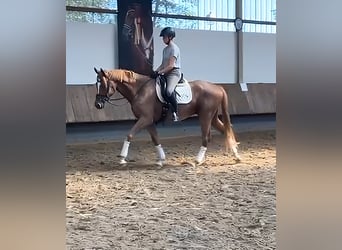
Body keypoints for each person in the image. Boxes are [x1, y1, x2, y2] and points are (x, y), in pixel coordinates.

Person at [152, 27, 181, 122]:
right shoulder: (165, 50)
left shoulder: (174, 49)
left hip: (173, 74)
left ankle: (175, 112)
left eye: (164, 37)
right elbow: (163, 64)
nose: (163, 39)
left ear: (170, 37)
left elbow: (171, 66)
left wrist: (160, 72)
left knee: (168, 91)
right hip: (165, 72)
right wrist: (155, 71)